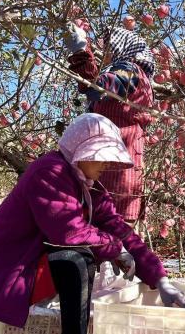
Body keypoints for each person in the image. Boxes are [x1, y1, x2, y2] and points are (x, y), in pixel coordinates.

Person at [0, 113, 185, 334]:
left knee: (81, 255)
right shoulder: (49, 172)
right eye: (101, 154)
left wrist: (161, 280)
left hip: (26, 270)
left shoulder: (88, 186)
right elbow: (68, 232)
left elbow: (122, 232)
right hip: (4, 275)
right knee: (76, 259)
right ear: (82, 151)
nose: (106, 163)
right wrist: (114, 248)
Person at [63, 24, 155, 228]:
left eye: (107, 46)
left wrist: (80, 52)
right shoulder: (144, 80)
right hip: (127, 170)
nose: (103, 52)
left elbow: (97, 88)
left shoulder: (129, 70)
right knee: (122, 239)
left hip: (113, 170)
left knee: (108, 236)